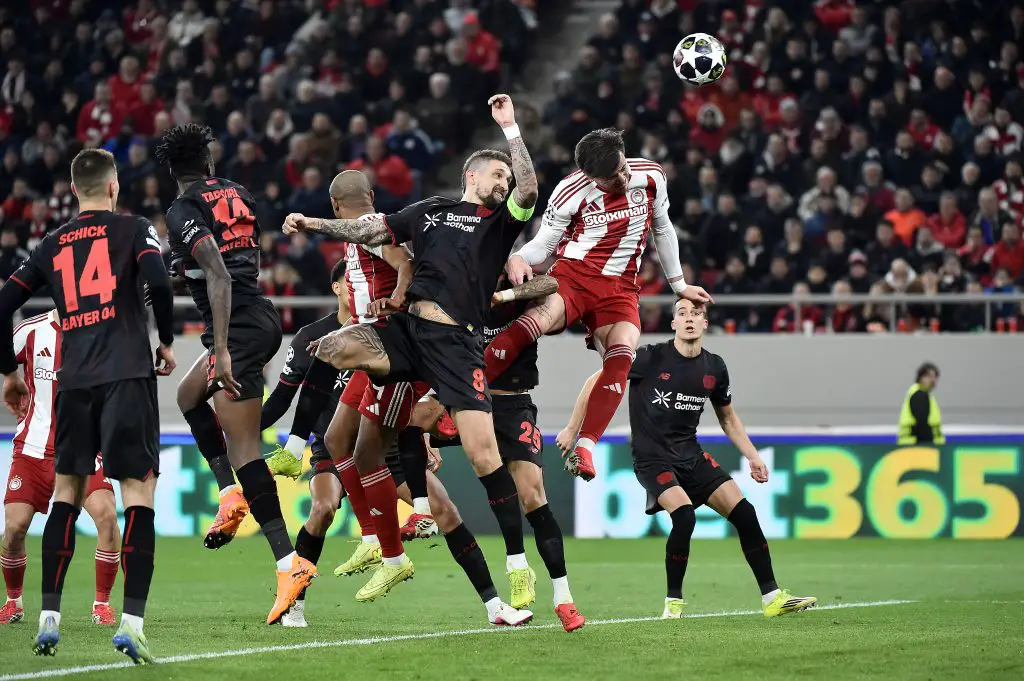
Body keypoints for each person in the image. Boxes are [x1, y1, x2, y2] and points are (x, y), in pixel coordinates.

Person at [284, 94, 539, 624]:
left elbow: (530, 189)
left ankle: (514, 567)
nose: (503, 182)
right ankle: (301, 449)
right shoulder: (430, 212)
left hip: (454, 346)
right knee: (328, 348)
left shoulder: (500, 225)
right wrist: (313, 223)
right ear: (471, 176)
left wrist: (511, 131)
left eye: (505, 176)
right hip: (407, 330)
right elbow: (368, 231)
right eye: (496, 173)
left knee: (484, 457)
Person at [0, 148, 177, 663]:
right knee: (137, 495)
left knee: (65, 495)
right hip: (126, 375)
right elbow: (160, 283)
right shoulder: (133, 228)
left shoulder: (51, 243)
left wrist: (9, 374)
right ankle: (131, 623)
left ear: (75, 190)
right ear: (114, 187)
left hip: (74, 386)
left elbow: (3, 305)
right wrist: (165, 340)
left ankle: (48, 617)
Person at [562, 298, 816, 619]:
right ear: (674, 324)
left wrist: (752, 456)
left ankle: (772, 597)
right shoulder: (649, 358)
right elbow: (595, 381)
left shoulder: (714, 367)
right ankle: (674, 604)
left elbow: (728, 419)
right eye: (682, 313)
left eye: (696, 313)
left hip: (691, 456)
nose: (689, 319)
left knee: (746, 514)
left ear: (705, 323)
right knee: (684, 516)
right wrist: (574, 428)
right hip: (652, 459)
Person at [483, 128, 713, 481]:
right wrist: (518, 258)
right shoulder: (569, 192)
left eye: (622, 168)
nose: (622, 178)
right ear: (590, 177)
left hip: (621, 290)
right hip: (573, 278)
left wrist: (679, 284)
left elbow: (662, 227)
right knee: (536, 323)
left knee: (623, 356)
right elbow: (545, 244)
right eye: (612, 177)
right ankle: (456, 397)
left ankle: (586, 448)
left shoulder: (650, 175)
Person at [155, 123, 316, 626]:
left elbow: (220, 273)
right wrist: (180, 273)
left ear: (171, 169)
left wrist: (222, 350)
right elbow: (235, 261)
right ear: (206, 161)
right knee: (187, 397)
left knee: (246, 450)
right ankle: (229, 494)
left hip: (238, 331)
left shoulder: (182, 209)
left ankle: (289, 565)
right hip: (257, 316)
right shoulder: (239, 193)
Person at [437, 273, 586, 631]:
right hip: (468, 406)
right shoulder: (460, 295)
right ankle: (515, 564)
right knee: (412, 425)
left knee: (533, 494)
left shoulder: (519, 288)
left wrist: (502, 295)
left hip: (514, 406)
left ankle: (563, 599)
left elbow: (551, 287)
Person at [261, 171, 413, 481]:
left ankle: (293, 448)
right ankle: (382, 527)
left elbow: (406, 263)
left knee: (326, 349)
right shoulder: (365, 233)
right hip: (371, 332)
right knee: (339, 443)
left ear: (334, 204)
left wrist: (396, 298)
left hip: (386, 335)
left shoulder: (373, 226)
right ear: (370, 195)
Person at [1, 310, 121, 627]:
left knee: (107, 517)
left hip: (83, 447)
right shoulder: (30, 331)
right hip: (33, 448)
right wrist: (10, 377)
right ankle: (13, 601)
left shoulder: (101, 330)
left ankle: (101, 605)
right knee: (13, 531)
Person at [259, 259, 351, 627]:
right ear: (336, 287)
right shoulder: (312, 337)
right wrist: (244, 429)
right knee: (323, 509)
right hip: (331, 447)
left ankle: (494, 602)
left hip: (382, 448)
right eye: (350, 280)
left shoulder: (384, 331)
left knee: (440, 513)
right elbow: (281, 399)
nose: (357, 286)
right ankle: (294, 600)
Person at [897, 362, 944, 445]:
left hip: (911, 445)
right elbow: (922, 425)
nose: (933, 380)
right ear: (921, 378)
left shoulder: (920, 394)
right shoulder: (920, 396)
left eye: (935, 377)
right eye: (929, 377)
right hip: (917, 447)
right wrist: (929, 445)